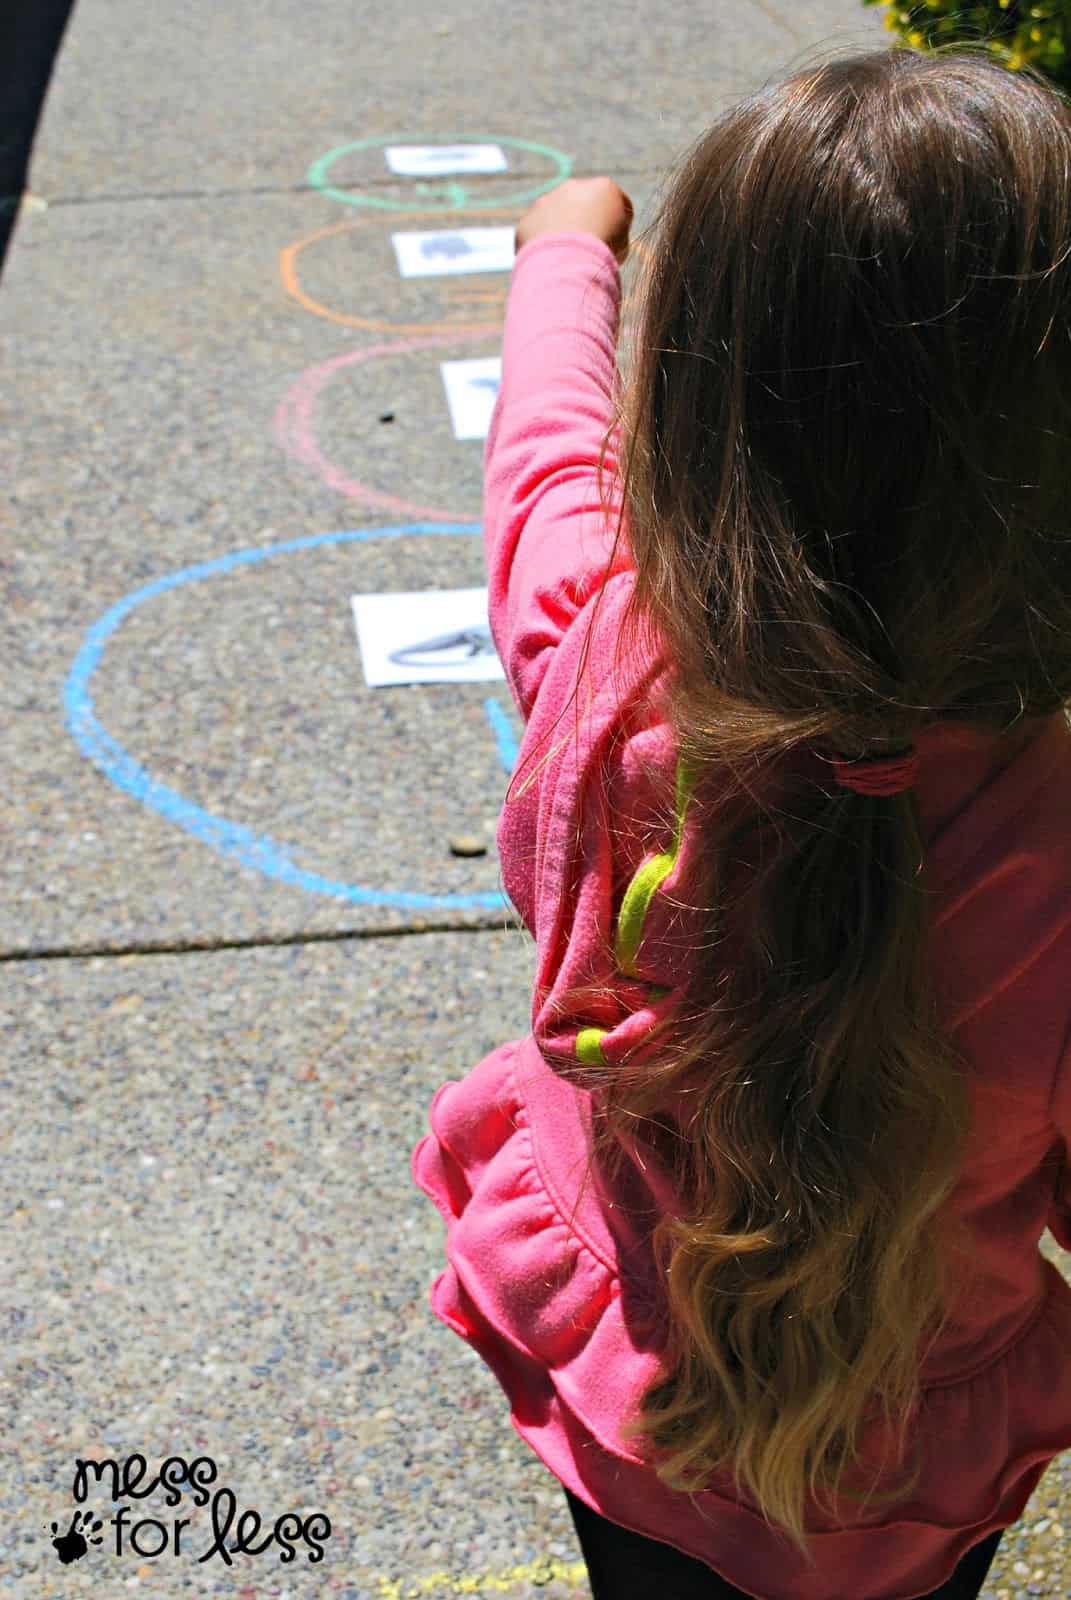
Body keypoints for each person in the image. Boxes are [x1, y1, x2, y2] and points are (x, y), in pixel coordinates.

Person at [411, 40, 1071, 1600]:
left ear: (706, 404)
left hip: (635, 1396)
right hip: (914, 1466)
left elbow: (546, 457)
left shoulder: (606, 650)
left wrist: (569, 252)